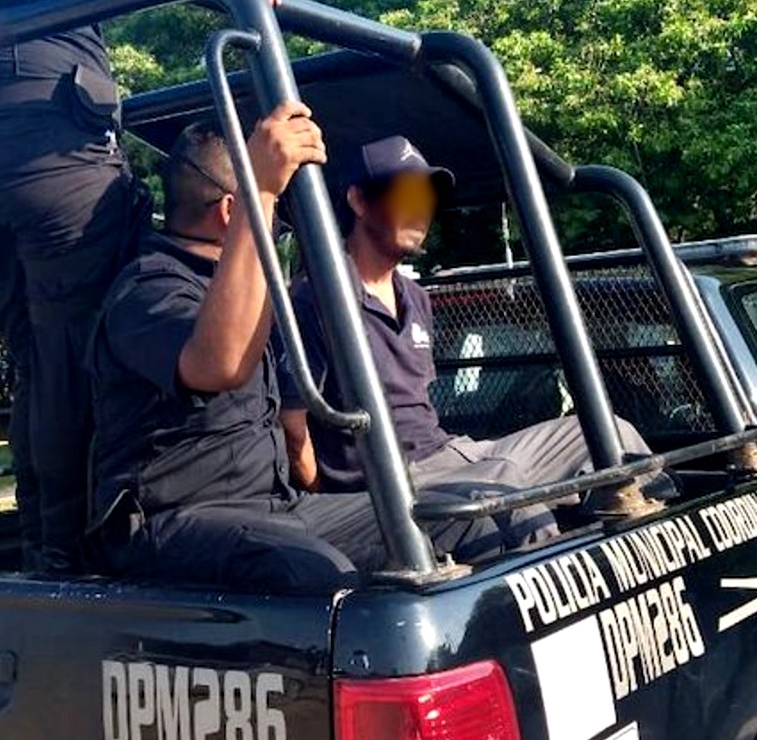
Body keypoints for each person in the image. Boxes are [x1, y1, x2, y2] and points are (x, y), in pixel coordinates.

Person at [84, 109, 558, 593]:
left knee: (478, 513)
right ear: (231, 212)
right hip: (177, 520)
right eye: (273, 211)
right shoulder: (148, 289)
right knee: (317, 573)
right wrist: (261, 191)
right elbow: (220, 364)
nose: (278, 225)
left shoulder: (241, 290)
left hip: (275, 507)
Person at [279, 135, 663, 517]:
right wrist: (346, 505)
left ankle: (669, 541)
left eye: (426, 199)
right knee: (500, 485)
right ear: (359, 200)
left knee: (609, 433)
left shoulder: (415, 297)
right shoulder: (316, 299)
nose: (420, 210)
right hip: (395, 481)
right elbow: (294, 430)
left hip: (454, 453)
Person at [0, 4, 151, 574]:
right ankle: (70, 555)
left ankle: (41, 543)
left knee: (37, 367)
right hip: (49, 145)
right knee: (73, 363)